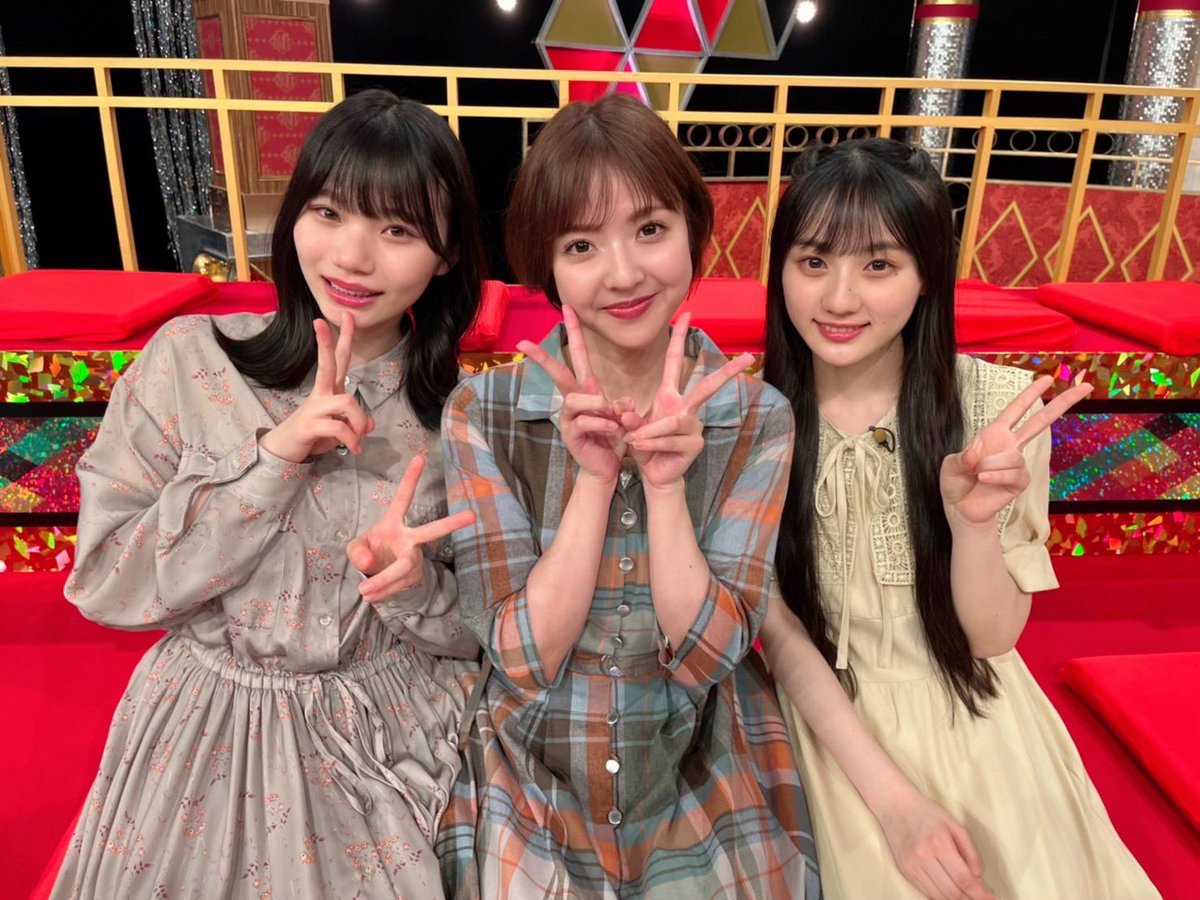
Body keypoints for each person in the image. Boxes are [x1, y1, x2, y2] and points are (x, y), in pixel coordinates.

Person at [53, 89, 486, 899]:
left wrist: (415, 589)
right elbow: (105, 582)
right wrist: (273, 461)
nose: (353, 257)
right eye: (329, 212)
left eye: (397, 230)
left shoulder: (464, 419)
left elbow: (493, 633)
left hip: (397, 736)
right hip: (205, 734)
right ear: (293, 219)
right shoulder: (190, 361)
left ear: (448, 253)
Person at [435, 93, 820, 897]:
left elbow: (709, 657)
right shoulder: (486, 412)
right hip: (531, 757)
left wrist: (667, 489)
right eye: (581, 244)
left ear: (693, 232)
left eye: (650, 229)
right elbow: (522, 657)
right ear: (546, 265)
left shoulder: (757, 416)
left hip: (694, 750)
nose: (622, 273)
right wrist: (594, 479)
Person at [759, 137, 1158, 899]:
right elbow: (778, 632)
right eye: (813, 261)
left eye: (879, 265)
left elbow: (990, 639)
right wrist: (897, 806)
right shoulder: (756, 416)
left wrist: (973, 527)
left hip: (968, 707)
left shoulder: (993, 410)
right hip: (824, 725)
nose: (838, 298)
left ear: (927, 277)